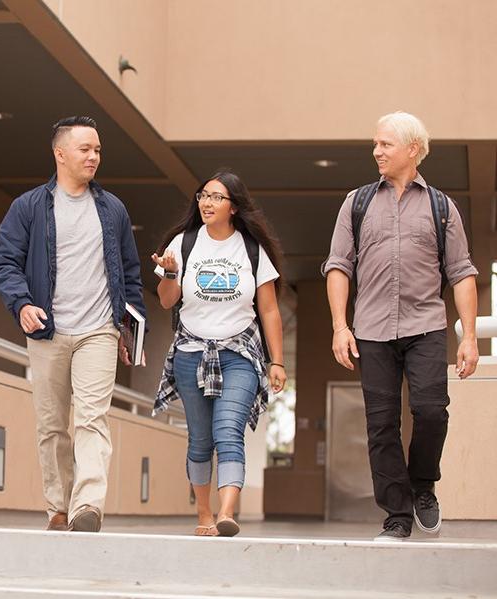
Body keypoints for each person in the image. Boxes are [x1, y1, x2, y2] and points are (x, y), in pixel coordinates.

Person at [322, 111, 479, 541]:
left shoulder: (441, 206)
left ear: (413, 149)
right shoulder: (356, 203)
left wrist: (468, 337)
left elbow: (462, 273)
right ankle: (396, 515)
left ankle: (423, 485)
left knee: (431, 412)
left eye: (385, 144)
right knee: (381, 424)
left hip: (426, 326)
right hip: (370, 330)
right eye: (375, 144)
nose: (376, 151)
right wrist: (340, 325)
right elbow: (338, 267)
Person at [0, 115, 146, 533]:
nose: (94, 156)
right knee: (52, 424)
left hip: (99, 330)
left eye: (98, 149)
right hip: (47, 331)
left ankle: (87, 505)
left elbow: (130, 274)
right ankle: (58, 508)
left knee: (92, 418)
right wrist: (21, 304)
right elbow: (5, 261)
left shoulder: (112, 209)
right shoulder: (29, 207)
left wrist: (130, 329)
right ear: (60, 153)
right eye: (85, 149)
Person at [151, 169, 286, 537]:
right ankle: (205, 514)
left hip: (239, 353)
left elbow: (269, 309)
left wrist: (277, 361)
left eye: (216, 197)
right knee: (200, 439)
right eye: (203, 196)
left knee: (228, 431)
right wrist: (170, 274)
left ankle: (227, 513)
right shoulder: (183, 243)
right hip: (191, 352)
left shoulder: (251, 249)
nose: (207, 203)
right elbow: (166, 302)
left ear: (234, 207)